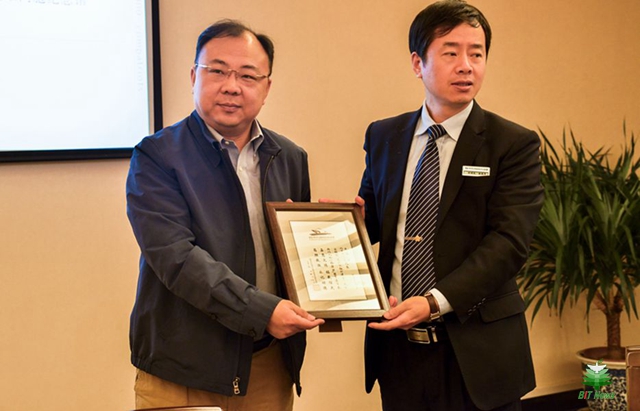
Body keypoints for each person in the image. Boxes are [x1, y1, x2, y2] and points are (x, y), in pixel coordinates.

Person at [125, 19, 324, 411]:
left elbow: (294, 258)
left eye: (248, 75)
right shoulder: (157, 157)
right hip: (183, 368)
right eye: (217, 71)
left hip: (267, 365)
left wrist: (337, 237)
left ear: (266, 88)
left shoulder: (290, 158)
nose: (232, 86)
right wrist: (261, 311)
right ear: (194, 76)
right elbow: (176, 259)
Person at [358, 1, 544, 410]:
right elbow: (373, 221)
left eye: (476, 54)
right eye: (451, 53)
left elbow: (509, 243)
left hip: (478, 351)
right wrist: (337, 224)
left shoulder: (512, 144)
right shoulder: (384, 135)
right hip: (398, 349)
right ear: (417, 63)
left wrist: (433, 302)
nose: (466, 66)